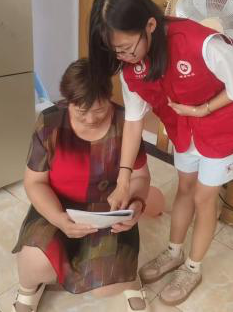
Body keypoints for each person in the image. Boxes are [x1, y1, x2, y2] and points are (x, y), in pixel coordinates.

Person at [88, 0, 233, 306]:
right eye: (115, 52)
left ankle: (193, 267)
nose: (123, 57)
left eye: (127, 48)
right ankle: (174, 252)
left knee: (204, 197)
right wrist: (123, 180)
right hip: (185, 127)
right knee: (184, 188)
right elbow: (134, 122)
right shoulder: (130, 68)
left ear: (150, 25)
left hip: (225, 126)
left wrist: (204, 109)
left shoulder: (202, 44)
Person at [11, 58, 151, 312]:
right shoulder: (50, 123)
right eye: (80, 111)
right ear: (67, 101)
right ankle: (29, 289)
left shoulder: (125, 123)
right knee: (35, 262)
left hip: (109, 211)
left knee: (106, 286)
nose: (90, 119)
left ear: (109, 97)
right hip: (59, 204)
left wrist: (137, 204)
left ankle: (129, 278)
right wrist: (58, 218)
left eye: (99, 110)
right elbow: (34, 182)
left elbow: (140, 177)